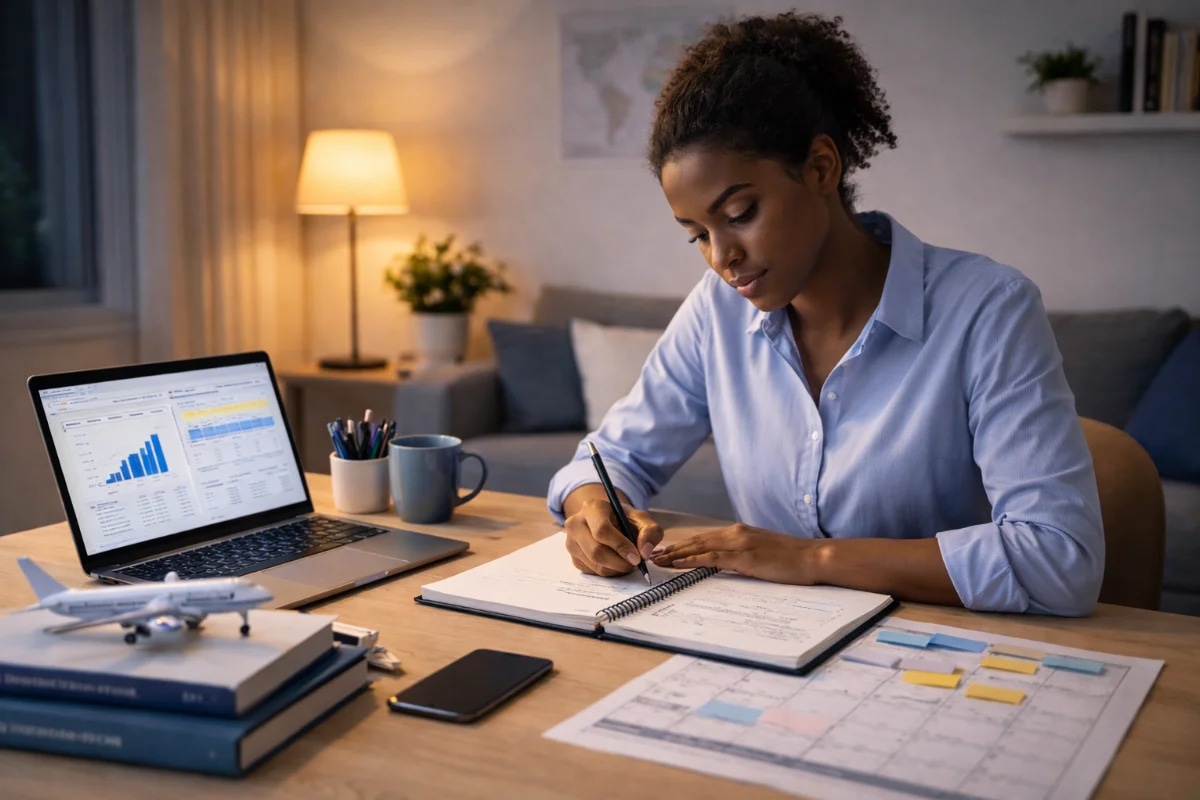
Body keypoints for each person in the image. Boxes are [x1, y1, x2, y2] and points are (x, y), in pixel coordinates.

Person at [546, 11, 1104, 616]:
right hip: (771, 645)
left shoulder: (988, 310)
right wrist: (590, 507)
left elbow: (1058, 559)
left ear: (821, 168)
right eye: (696, 235)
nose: (722, 258)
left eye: (740, 214)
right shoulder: (717, 313)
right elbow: (610, 459)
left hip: (940, 654)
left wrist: (811, 560)